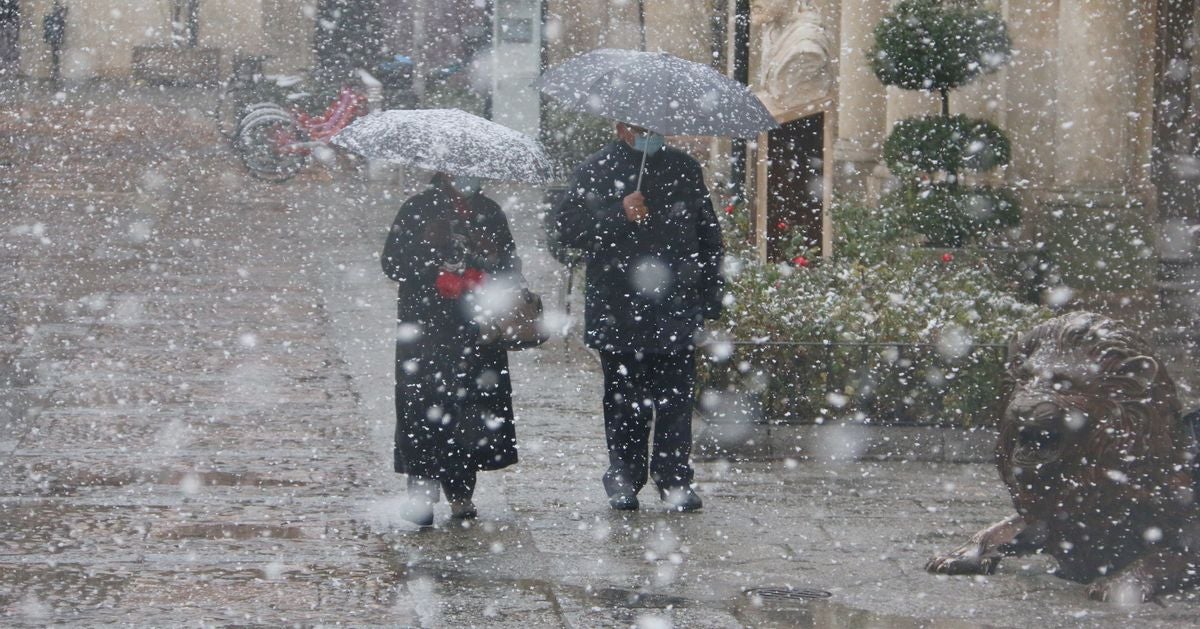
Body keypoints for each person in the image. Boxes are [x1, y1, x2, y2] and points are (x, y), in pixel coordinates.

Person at [554, 122, 724, 512]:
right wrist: (618, 214)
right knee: (624, 400)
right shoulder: (595, 169)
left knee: (675, 402)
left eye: (655, 126)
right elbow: (566, 230)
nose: (651, 132)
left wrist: (710, 295)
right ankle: (625, 477)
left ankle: (675, 479)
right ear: (620, 128)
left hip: (675, 306)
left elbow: (707, 232)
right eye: (640, 126)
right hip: (619, 308)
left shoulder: (684, 169)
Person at [381, 172, 520, 526]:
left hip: (473, 328)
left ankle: (461, 493)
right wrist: (428, 257)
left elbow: (510, 267)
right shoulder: (417, 209)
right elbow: (392, 263)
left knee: (468, 408)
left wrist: (487, 260)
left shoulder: (488, 211)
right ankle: (421, 494)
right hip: (425, 329)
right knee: (421, 406)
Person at [42, 1, 67, 86]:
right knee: (55, 56)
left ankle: (55, 72)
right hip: (55, 39)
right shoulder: (57, 18)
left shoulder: (54, 18)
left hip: (55, 39)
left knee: (55, 56)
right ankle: (55, 72)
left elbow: (48, 27)